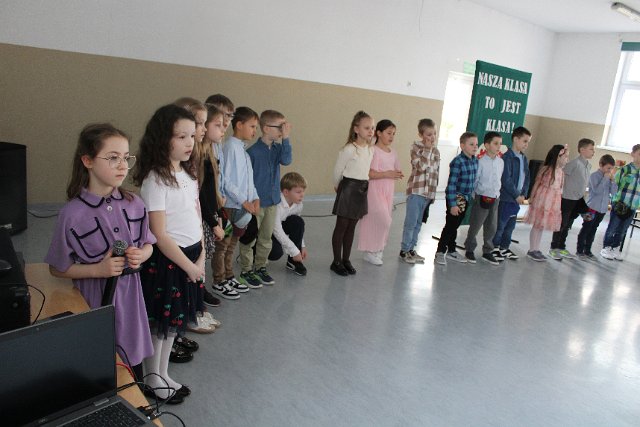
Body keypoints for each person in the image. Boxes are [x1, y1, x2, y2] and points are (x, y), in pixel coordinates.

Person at [45, 123, 155, 384]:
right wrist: (97, 269)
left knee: (131, 364)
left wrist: (142, 255)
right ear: (88, 161)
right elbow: (56, 267)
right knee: (99, 366)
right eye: (113, 158)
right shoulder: (72, 214)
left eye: (126, 158)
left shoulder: (135, 204)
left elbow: (149, 244)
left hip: (131, 299)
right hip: (94, 300)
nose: (122, 166)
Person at [133, 104, 205, 403]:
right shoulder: (155, 179)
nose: (189, 143)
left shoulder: (188, 173)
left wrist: (201, 255)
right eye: (181, 136)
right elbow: (159, 234)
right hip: (170, 261)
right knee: (160, 325)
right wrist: (189, 266)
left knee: (174, 323)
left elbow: (195, 215)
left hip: (191, 257)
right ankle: (152, 377)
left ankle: (163, 373)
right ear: (163, 138)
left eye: (192, 136)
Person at [174, 97, 219, 336]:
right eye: (199, 123)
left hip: (195, 226)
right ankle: (189, 316)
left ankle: (195, 310)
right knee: (183, 280)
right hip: (180, 234)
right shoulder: (186, 159)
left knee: (198, 269)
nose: (202, 129)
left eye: (202, 124)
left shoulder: (197, 154)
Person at [240, 110, 292, 284]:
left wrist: (286, 139)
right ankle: (246, 269)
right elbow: (246, 180)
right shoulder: (252, 152)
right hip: (256, 203)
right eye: (280, 127)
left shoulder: (278, 149)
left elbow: (287, 160)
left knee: (265, 238)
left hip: (272, 202)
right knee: (249, 238)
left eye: (284, 127)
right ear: (266, 128)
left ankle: (261, 266)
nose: (283, 130)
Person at [203, 94, 246, 299]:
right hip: (214, 204)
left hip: (220, 204)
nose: (227, 121)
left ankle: (225, 277)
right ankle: (217, 280)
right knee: (215, 246)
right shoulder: (205, 148)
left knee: (224, 242)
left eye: (230, 116)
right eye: (223, 116)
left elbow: (220, 176)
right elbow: (205, 186)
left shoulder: (218, 144)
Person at [221, 106, 262, 289]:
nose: (254, 131)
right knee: (223, 246)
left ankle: (229, 275)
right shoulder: (230, 147)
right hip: (231, 206)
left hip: (242, 207)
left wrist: (255, 198)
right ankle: (220, 279)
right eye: (252, 126)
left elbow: (249, 182)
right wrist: (243, 201)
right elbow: (226, 180)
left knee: (232, 246)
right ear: (239, 125)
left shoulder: (244, 152)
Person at [330, 111, 375, 276]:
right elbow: (337, 170)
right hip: (348, 189)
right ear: (356, 129)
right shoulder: (349, 149)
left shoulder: (370, 150)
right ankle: (336, 261)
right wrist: (338, 187)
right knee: (341, 226)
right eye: (366, 128)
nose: (371, 131)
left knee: (351, 227)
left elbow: (366, 171)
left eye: (372, 128)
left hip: (361, 190)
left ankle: (346, 259)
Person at [358, 119, 403, 265]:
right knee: (382, 220)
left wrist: (397, 173)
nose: (391, 136)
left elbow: (395, 169)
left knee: (383, 219)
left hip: (388, 191)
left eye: (393, 134)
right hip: (374, 190)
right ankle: (371, 250)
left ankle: (375, 249)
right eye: (389, 133)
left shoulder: (393, 152)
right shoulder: (373, 151)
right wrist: (387, 174)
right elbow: (369, 173)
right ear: (379, 133)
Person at [434, 132, 479, 265]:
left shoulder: (475, 160)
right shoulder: (457, 162)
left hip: (466, 198)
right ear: (462, 146)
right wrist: (453, 204)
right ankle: (440, 251)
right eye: (471, 144)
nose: (475, 147)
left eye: (476, 144)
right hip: (456, 197)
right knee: (450, 226)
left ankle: (452, 250)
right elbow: (452, 185)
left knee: (455, 226)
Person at [399, 118, 439, 264]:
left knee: (418, 223)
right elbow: (421, 167)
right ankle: (404, 250)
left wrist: (433, 195)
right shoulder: (416, 148)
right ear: (421, 135)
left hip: (427, 194)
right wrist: (427, 150)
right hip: (416, 192)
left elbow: (435, 174)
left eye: (434, 133)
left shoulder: (436, 151)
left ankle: (411, 249)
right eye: (428, 134)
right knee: (410, 223)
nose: (432, 137)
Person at [549, 138, 595, 259]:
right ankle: (553, 247)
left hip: (578, 199)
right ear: (582, 150)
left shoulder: (588, 165)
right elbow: (562, 174)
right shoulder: (574, 163)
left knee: (568, 224)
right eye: (591, 149)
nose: (593, 152)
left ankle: (561, 246)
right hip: (567, 198)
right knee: (562, 223)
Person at [491, 126, 531, 261]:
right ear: (515, 139)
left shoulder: (523, 158)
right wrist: (516, 195)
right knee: (501, 225)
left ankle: (504, 247)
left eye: (528, 142)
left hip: (517, 199)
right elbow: (506, 179)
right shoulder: (507, 157)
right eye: (525, 141)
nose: (526, 144)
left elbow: (527, 177)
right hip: (507, 198)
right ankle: (494, 248)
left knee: (510, 226)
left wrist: (523, 194)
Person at [464, 132, 504, 265]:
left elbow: (499, 179)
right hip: (482, 197)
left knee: (492, 226)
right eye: (495, 143)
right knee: (476, 224)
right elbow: (475, 181)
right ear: (486, 145)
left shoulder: (501, 162)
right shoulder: (480, 162)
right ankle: (470, 248)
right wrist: (476, 196)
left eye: (500, 144)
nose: (499, 146)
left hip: (495, 197)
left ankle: (487, 250)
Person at [524, 144, 569, 262]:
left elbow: (560, 189)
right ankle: (532, 249)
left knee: (541, 226)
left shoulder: (561, 172)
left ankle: (536, 248)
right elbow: (537, 183)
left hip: (552, 202)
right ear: (558, 157)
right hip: (542, 200)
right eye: (565, 157)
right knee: (537, 225)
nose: (567, 160)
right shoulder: (546, 169)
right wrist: (532, 197)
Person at [600, 144, 640, 260]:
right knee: (613, 227)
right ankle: (606, 247)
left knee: (623, 230)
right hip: (620, 204)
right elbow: (614, 185)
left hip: (633, 206)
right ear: (632, 154)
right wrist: (613, 200)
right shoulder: (624, 170)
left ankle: (615, 248)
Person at [576, 154, 617, 259]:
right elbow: (597, 191)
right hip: (592, 208)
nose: (609, 171)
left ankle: (587, 250)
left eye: (611, 169)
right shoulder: (594, 176)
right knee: (586, 228)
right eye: (608, 168)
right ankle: (579, 251)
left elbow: (614, 192)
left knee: (593, 229)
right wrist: (605, 179)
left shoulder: (609, 178)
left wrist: (613, 181)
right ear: (601, 165)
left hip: (602, 209)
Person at [268, 172, 309, 275]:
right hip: (268, 230)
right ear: (286, 192)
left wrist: (302, 246)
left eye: (303, 191)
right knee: (275, 253)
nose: (302, 195)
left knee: (298, 222)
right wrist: (295, 251)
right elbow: (277, 230)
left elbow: (298, 228)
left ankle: (292, 261)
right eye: (298, 192)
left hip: (280, 227)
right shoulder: (277, 204)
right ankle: (254, 251)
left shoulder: (299, 204)